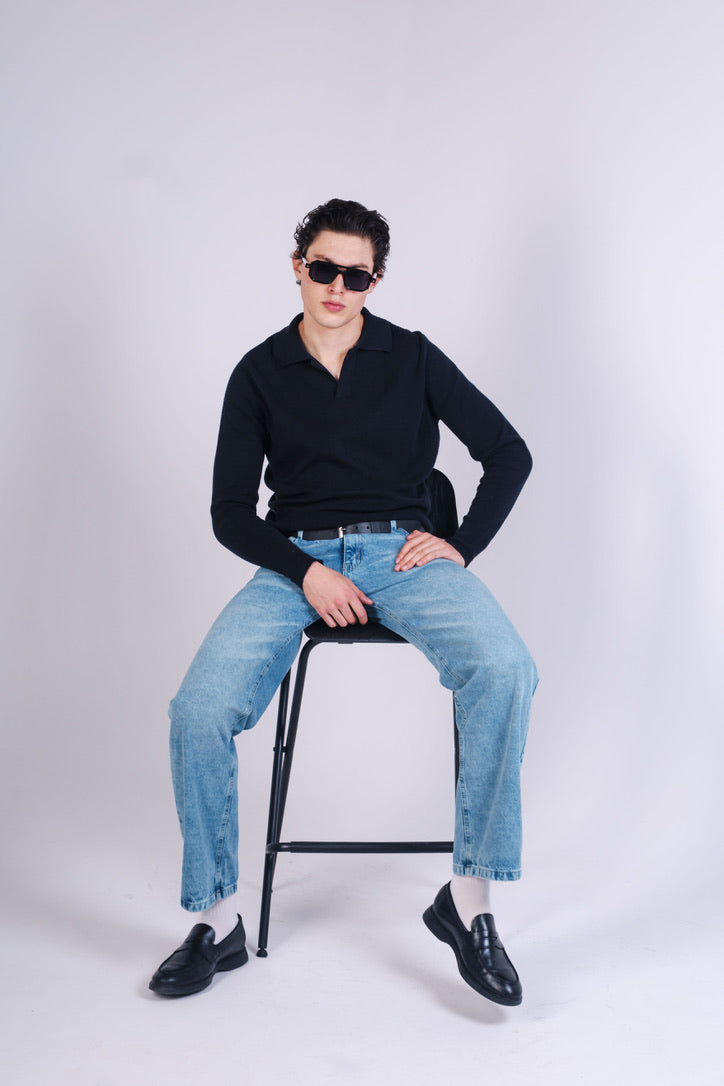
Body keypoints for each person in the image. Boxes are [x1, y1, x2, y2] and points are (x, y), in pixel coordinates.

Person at [149, 198, 538, 1004]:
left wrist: (460, 545)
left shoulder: (412, 356)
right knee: (197, 710)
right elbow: (229, 512)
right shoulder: (259, 372)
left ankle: (469, 904)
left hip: (405, 554)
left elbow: (508, 452)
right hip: (295, 562)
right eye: (323, 268)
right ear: (298, 265)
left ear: (375, 281)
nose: (337, 287)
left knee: (505, 669)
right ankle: (217, 921)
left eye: (355, 276)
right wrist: (305, 572)